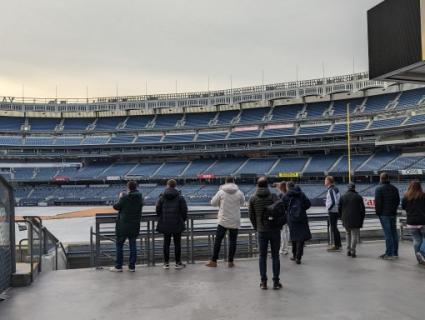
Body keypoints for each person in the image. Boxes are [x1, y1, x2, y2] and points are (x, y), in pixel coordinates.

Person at [249, 177, 282, 290]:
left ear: (257, 185)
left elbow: (251, 216)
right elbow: (280, 211)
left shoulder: (253, 198)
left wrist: (257, 227)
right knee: (275, 256)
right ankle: (276, 282)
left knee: (262, 257)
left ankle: (263, 282)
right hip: (274, 230)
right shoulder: (274, 196)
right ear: (267, 185)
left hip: (261, 231)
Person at [206, 176, 245, 268]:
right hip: (235, 220)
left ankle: (214, 261)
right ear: (234, 182)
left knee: (218, 241)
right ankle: (230, 262)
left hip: (223, 220)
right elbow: (242, 203)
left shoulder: (221, 191)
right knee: (233, 241)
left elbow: (213, 203)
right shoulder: (239, 192)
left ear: (225, 182)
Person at [110, 181, 144, 272]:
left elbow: (116, 207)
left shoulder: (125, 197)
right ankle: (132, 266)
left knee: (119, 245)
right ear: (136, 187)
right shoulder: (140, 197)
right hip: (135, 225)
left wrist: (120, 197)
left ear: (128, 188)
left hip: (123, 226)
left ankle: (119, 266)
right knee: (133, 245)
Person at [156, 179, 188, 269]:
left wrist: (162, 218)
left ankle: (166, 263)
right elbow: (184, 211)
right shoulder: (180, 197)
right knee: (177, 244)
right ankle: (178, 263)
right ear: (175, 186)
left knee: (166, 243)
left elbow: (158, 210)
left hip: (165, 223)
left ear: (167, 185)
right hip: (177, 223)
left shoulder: (162, 197)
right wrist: (182, 220)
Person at [281, 182, 311, 264]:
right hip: (302, 218)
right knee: (300, 238)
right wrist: (301, 210)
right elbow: (308, 204)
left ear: (287, 187)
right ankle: (298, 257)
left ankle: (294, 255)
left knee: (294, 236)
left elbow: (282, 207)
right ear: (294, 186)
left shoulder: (286, 196)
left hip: (291, 219)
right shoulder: (301, 194)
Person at [375, 172, 400, 260]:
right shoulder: (394, 188)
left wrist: (378, 213)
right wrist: (394, 210)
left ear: (381, 179)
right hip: (393, 214)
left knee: (388, 234)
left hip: (384, 214)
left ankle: (389, 254)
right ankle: (395, 253)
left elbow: (378, 203)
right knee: (394, 233)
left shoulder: (379, 189)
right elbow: (397, 201)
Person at [401, 180, 425, 265]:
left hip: (411, 222)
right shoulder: (423, 196)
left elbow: (403, 207)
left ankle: (418, 257)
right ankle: (422, 253)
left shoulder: (405, 197)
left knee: (416, 239)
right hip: (423, 221)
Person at [338, 183, 365, 258]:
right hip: (356, 219)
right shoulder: (358, 197)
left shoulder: (343, 196)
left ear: (348, 188)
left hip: (346, 219)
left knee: (347, 234)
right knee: (354, 235)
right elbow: (363, 210)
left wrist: (341, 217)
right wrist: (362, 219)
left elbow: (339, 209)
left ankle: (348, 250)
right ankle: (353, 251)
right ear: (354, 188)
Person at [325, 176, 342, 251]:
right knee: (334, 228)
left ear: (329, 181)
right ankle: (338, 244)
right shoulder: (335, 188)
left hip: (333, 211)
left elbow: (334, 201)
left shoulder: (331, 190)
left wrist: (328, 209)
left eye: (325, 180)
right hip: (336, 211)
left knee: (333, 228)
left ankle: (336, 245)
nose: (324, 181)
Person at [274, 182, 290, 255]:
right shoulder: (288, 194)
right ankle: (285, 248)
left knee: (283, 232)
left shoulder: (282, 195)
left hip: (283, 216)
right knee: (286, 232)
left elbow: (278, 206)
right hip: (288, 216)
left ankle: (284, 249)